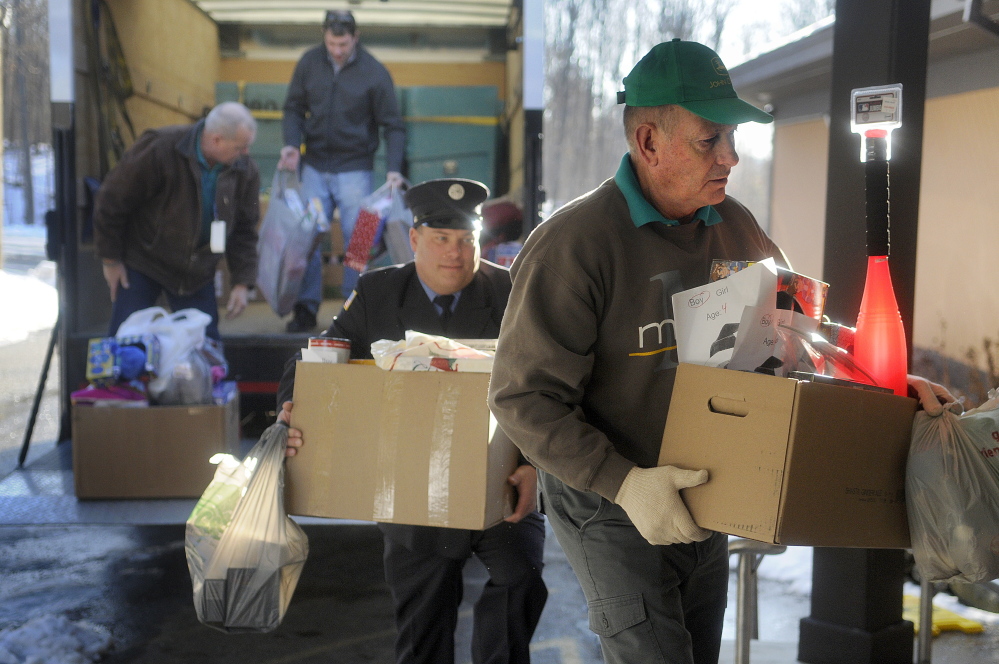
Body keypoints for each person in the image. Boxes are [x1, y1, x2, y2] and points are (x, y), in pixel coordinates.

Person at [277, 178, 548, 664]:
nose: (456, 253)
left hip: (502, 475)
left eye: (466, 240)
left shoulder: (511, 293)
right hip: (414, 489)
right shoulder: (380, 292)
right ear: (416, 238)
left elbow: (546, 384)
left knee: (520, 577)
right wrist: (293, 406)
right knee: (423, 630)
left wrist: (534, 467)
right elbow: (321, 356)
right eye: (442, 239)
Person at [278, 8, 406, 333]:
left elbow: (393, 125)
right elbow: (293, 107)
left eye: (344, 45)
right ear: (324, 35)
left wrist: (393, 169)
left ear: (355, 38)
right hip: (315, 165)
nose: (337, 51)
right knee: (305, 236)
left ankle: (353, 308)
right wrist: (292, 144)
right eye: (332, 43)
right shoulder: (309, 63)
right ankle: (305, 310)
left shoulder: (375, 73)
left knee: (360, 237)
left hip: (355, 167)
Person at [94, 101, 259, 341]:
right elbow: (112, 200)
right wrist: (111, 260)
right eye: (240, 147)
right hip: (144, 263)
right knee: (125, 343)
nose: (245, 154)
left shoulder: (245, 170)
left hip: (197, 271)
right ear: (216, 140)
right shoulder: (160, 148)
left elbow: (244, 229)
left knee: (205, 350)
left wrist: (242, 283)